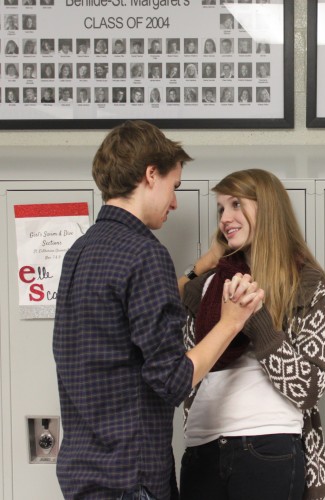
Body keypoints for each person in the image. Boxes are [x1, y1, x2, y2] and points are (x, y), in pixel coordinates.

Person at [53, 121, 263, 500]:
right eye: (174, 186)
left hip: (83, 477)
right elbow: (172, 380)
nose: (175, 202)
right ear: (151, 174)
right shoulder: (145, 254)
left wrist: (200, 268)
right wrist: (232, 321)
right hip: (131, 480)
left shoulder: (78, 253)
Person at [178, 169, 325, 500]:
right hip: (202, 449)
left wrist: (257, 321)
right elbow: (181, 374)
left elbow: (308, 389)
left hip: (269, 445)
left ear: (268, 208)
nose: (225, 218)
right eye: (221, 209)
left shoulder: (306, 284)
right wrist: (202, 267)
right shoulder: (202, 288)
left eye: (236, 204)